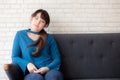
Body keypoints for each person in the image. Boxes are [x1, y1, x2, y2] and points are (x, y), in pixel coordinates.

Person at [12, 9, 64, 80]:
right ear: (31, 18)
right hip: (32, 73)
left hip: (50, 70)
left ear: (45, 25)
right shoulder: (20, 35)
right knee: (35, 78)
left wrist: (47, 68)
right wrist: (27, 64)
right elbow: (15, 57)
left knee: (54, 77)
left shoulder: (49, 38)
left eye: (42, 21)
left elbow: (57, 59)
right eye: (36, 18)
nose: (38, 22)